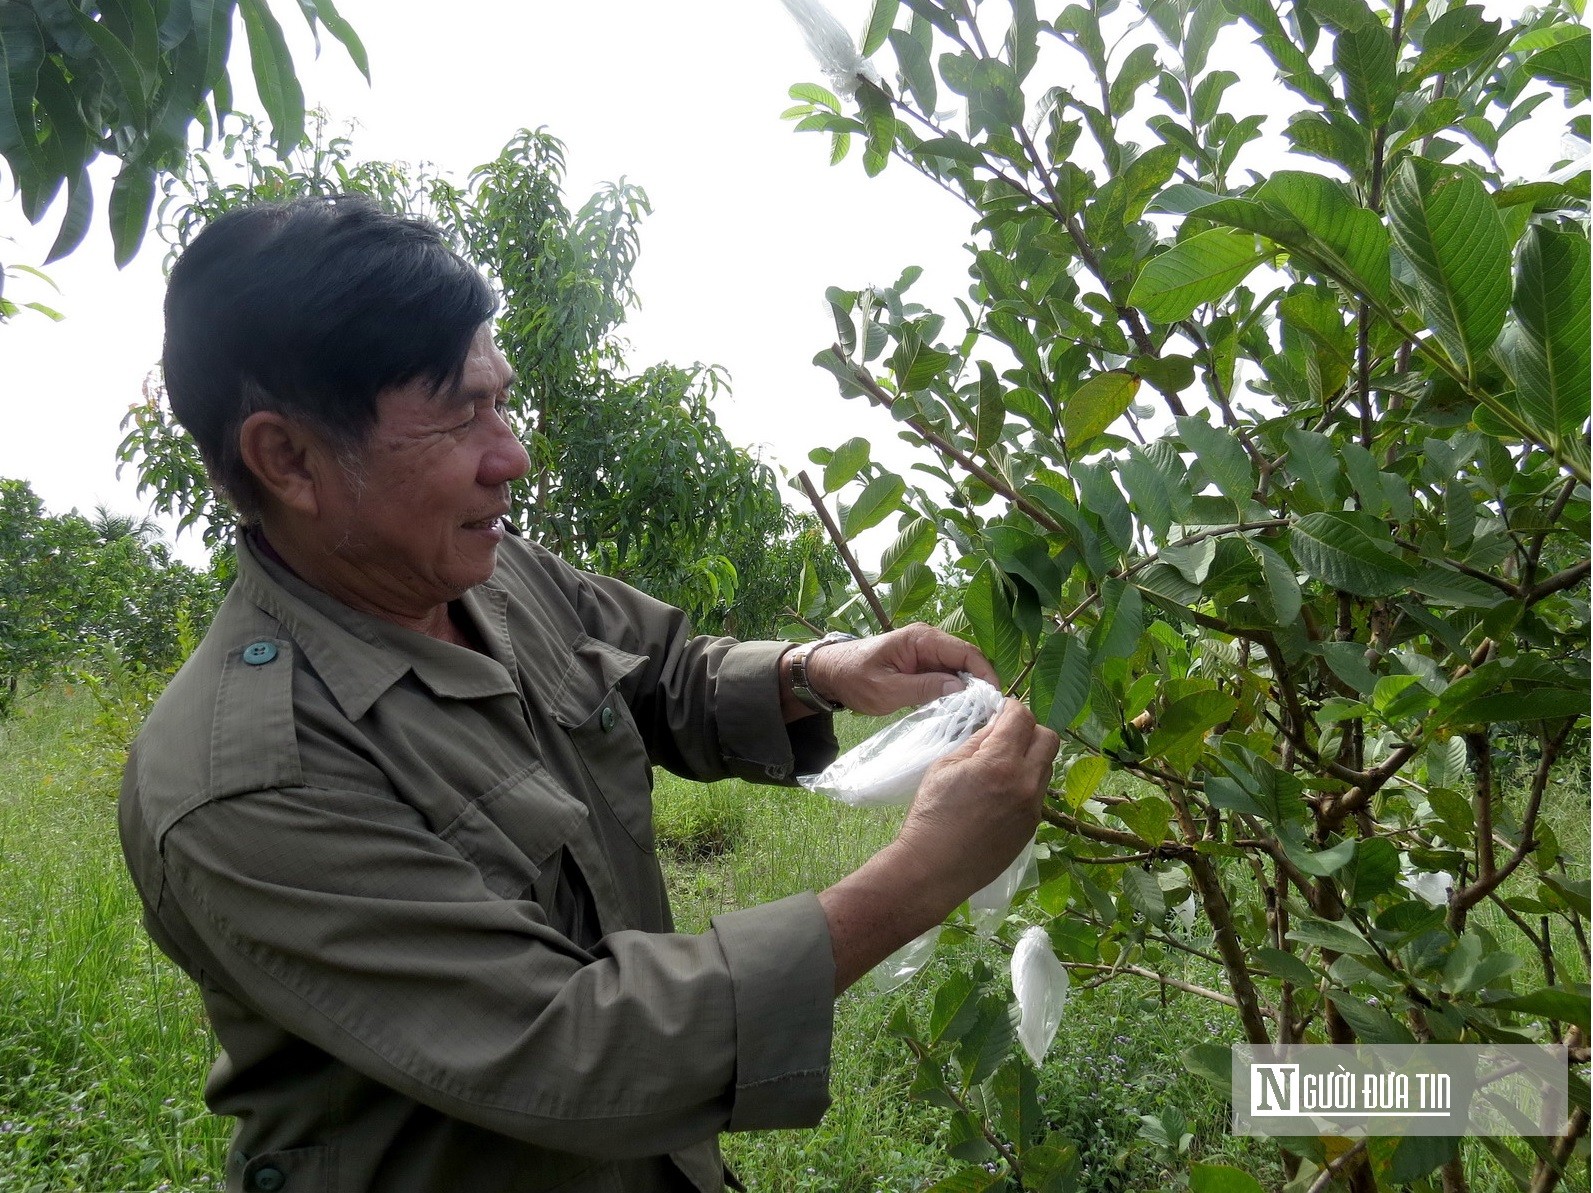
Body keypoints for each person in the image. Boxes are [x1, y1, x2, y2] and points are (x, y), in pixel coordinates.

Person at [118, 195, 1058, 1193]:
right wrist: (921, 873)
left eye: (500, 398)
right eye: (458, 413)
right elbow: (575, 1051)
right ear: (290, 458)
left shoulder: (491, 575)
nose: (511, 453)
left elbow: (661, 673)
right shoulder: (251, 779)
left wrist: (815, 670)